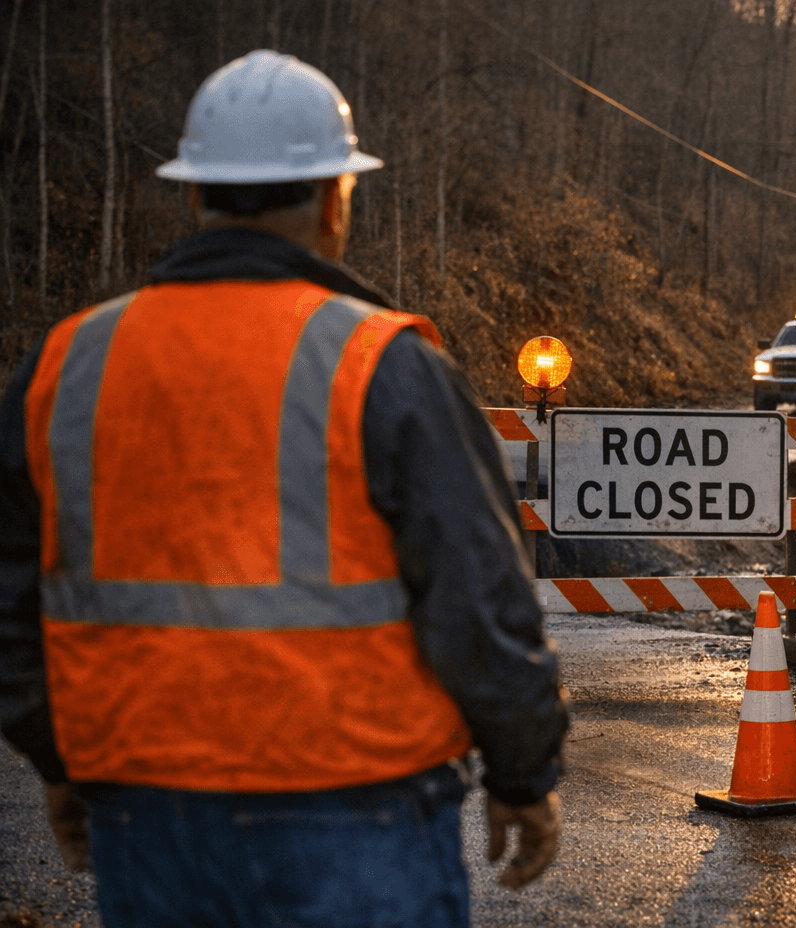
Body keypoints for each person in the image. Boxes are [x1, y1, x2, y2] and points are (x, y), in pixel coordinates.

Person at [0, 50, 568, 927]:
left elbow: (10, 597)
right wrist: (524, 774)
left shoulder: (70, 363)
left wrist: (60, 758)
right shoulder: (385, 366)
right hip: (358, 804)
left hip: (147, 809)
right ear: (337, 202)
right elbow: (479, 594)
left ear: (193, 196)